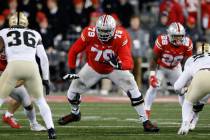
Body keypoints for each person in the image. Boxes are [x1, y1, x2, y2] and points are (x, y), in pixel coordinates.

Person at [57, 14, 159, 132]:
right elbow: (74, 51)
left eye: (107, 31)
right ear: (96, 28)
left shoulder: (121, 36)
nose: (104, 34)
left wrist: (119, 65)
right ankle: (75, 114)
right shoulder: (89, 33)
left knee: (133, 88)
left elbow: (129, 63)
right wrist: (72, 70)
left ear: (114, 30)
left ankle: (145, 122)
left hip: (113, 68)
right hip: (93, 67)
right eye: (101, 31)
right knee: (71, 92)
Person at [0, 12, 56, 139]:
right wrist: (46, 79)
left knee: (16, 98)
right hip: (31, 68)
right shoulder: (35, 33)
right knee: (41, 101)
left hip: (12, 69)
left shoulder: (3, 33)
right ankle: (51, 130)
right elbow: (43, 58)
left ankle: (34, 123)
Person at [144, 22, 193, 119]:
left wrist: (187, 77)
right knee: (153, 87)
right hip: (160, 67)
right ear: (170, 35)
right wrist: (152, 75)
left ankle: (186, 114)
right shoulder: (162, 41)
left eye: (180, 36)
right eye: (176, 36)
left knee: (181, 90)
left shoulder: (187, 43)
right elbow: (153, 58)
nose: (178, 39)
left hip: (175, 68)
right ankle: (146, 111)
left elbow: (188, 62)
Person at [0, 44, 46, 131]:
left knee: (26, 101)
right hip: (6, 75)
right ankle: (10, 116)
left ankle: (10, 116)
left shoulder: (21, 53)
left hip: (9, 76)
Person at [174, 43, 210, 135]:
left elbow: (177, 86)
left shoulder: (192, 59)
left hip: (202, 77)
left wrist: (183, 90)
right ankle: (196, 113)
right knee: (201, 98)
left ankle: (185, 123)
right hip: (203, 79)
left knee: (188, 102)